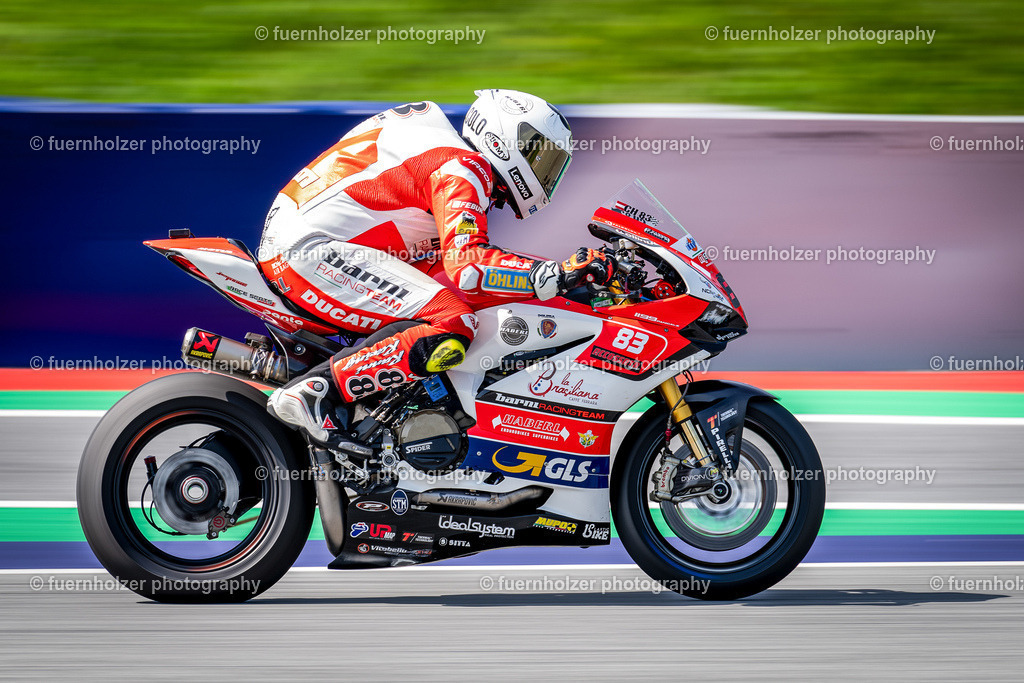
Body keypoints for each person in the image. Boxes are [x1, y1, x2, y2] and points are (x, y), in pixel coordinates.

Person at [260, 89, 616, 448]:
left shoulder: (448, 154)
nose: (543, 170)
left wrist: (551, 275)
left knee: (466, 302)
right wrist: (553, 275)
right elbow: (469, 266)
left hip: (325, 245)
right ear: (504, 139)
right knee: (453, 322)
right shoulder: (463, 167)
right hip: (312, 252)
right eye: (538, 155)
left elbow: (467, 264)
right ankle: (315, 391)